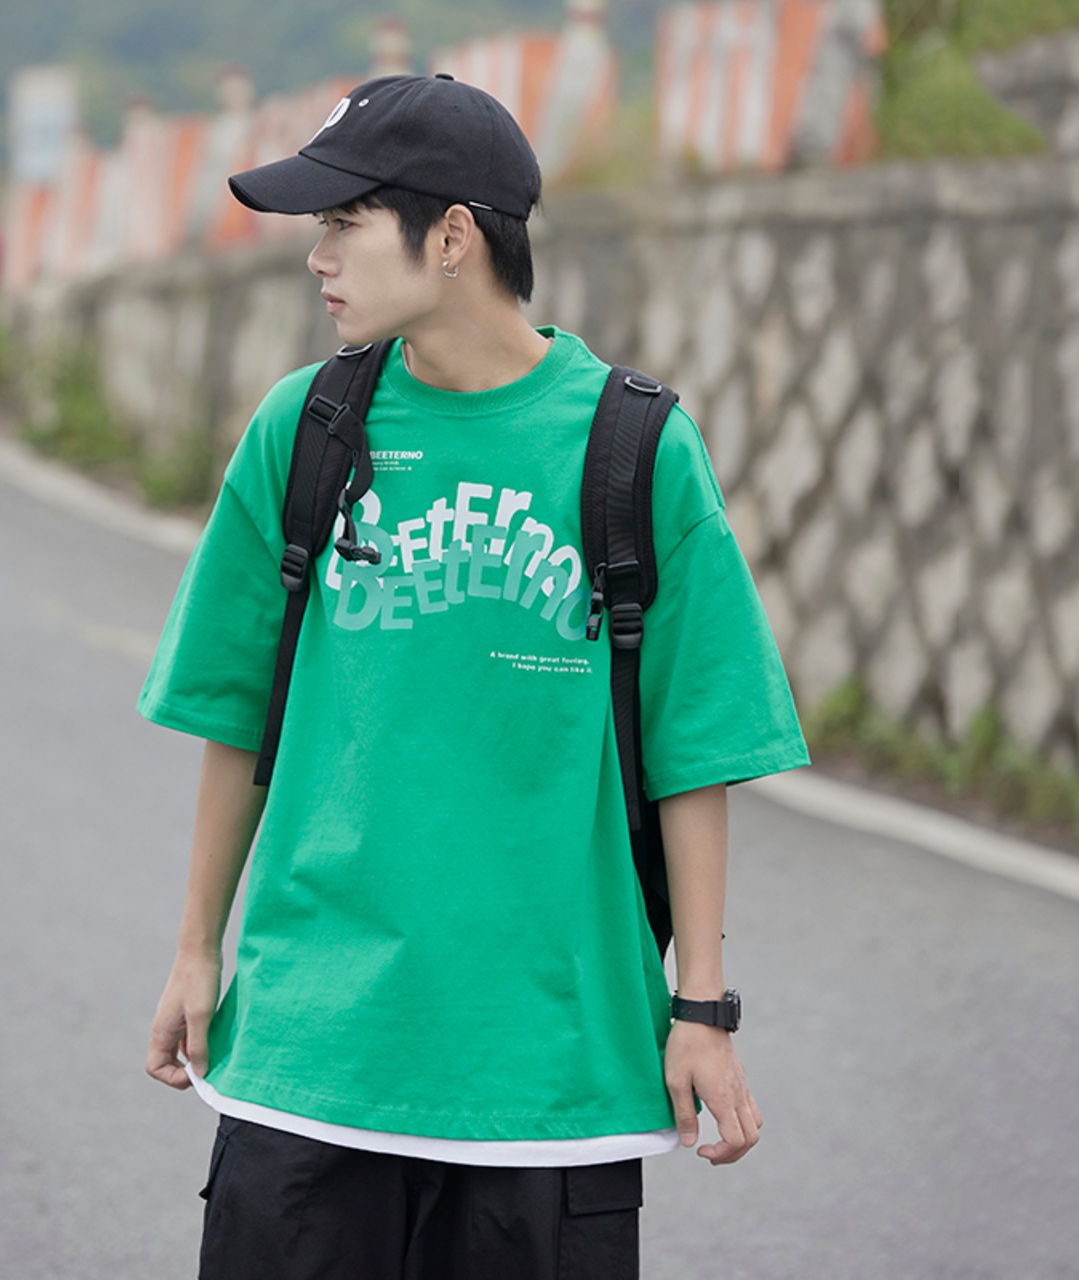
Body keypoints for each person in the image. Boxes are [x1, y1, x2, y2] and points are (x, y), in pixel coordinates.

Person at [138, 73, 809, 1280]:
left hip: (544, 1071)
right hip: (311, 1054)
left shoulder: (631, 447)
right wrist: (195, 948)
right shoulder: (305, 432)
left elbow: (695, 742)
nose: (317, 258)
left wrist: (700, 1008)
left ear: (449, 236)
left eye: (343, 224)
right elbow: (236, 710)